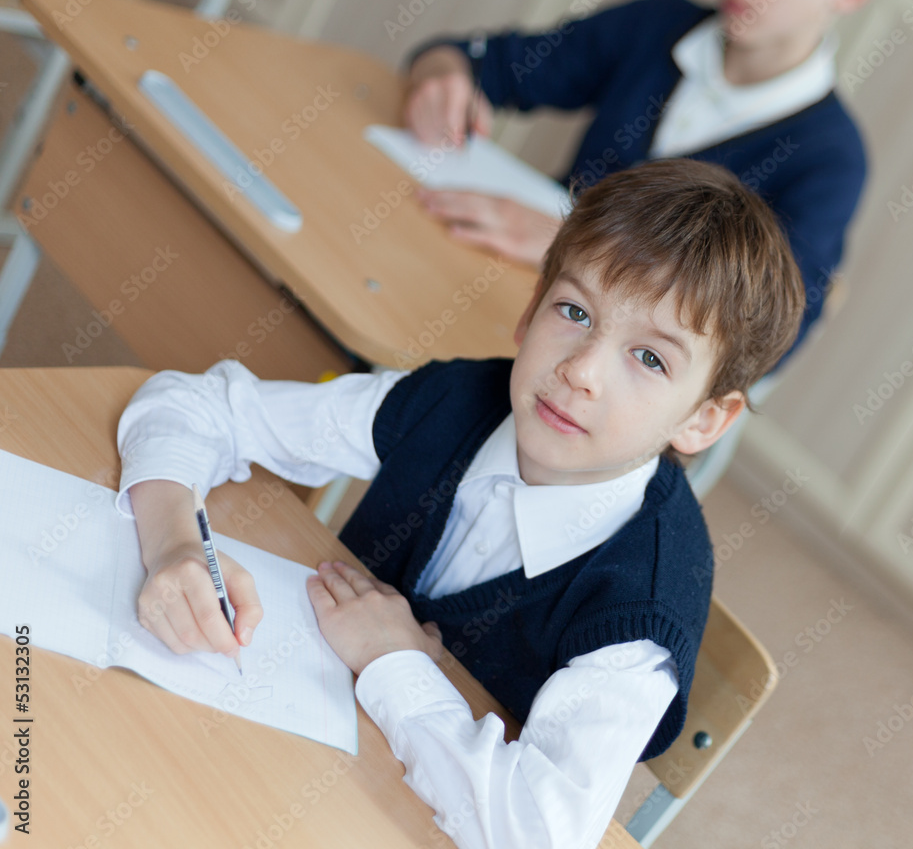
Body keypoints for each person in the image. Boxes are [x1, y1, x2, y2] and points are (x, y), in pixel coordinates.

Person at [116, 160, 804, 849]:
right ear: (530, 310)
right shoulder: (453, 401)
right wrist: (174, 542)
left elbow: (538, 835)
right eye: (574, 313)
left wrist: (393, 661)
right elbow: (194, 406)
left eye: (650, 359)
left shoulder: (640, 610)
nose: (581, 371)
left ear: (704, 420)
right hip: (291, 743)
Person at [404, 0, 905, 357]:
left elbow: (766, 332)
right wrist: (445, 76)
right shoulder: (656, 25)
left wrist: (576, 244)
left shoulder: (831, 159)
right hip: (499, 286)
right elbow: (482, 61)